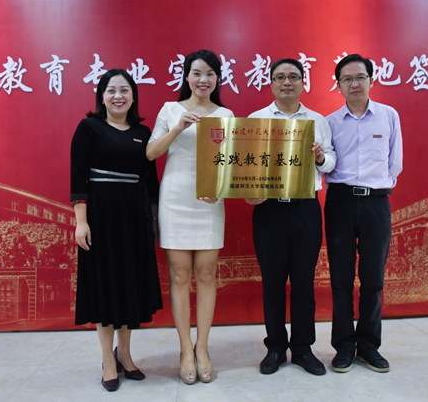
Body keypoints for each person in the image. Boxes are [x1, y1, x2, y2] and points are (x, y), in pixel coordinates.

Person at [70, 69, 163, 392]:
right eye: (111, 90)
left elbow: (151, 182)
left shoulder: (143, 132)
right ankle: (107, 360)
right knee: (105, 287)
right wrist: (81, 221)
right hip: (101, 217)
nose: (118, 96)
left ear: (133, 96)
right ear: (102, 96)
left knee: (129, 286)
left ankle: (124, 354)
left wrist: (154, 222)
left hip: (135, 217)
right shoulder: (89, 127)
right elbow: (78, 177)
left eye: (124, 90)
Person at [146, 50, 234, 385]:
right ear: (186, 76)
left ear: (217, 79)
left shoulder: (225, 114)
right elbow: (151, 152)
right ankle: (185, 349)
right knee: (180, 275)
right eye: (197, 73)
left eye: (210, 74)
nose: (203, 80)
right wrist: (178, 127)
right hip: (175, 199)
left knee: (207, 273)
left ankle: (203, 348)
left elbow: (232, 163)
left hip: (209, 201)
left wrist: (220, 190)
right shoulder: (171, 109)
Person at [245, 58, 336, 376]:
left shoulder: (317, 120)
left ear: (303, 82)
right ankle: (275, 348)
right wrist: (248, 192)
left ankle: (302, 349)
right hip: (268, 209)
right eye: (280, 77)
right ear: (271, 83)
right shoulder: (256, 120)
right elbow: (246, 165)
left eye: (294, 77)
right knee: (272, 282)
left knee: (303, 282)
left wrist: (321, 156)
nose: (287, 82)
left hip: (305, 208)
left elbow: (331, 162)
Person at [324, 54, 403, 374]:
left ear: (372, 79)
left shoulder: (389, 116)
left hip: (376, 204)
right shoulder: (330, 122)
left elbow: (395, 163)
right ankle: (344, 346)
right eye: (347, 79)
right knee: (341, 279)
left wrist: (377, 188)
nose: (354, 83)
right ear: (339, 85)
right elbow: (326, 164)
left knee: (373, 279)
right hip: (340, 203)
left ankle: (369, 345)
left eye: (360, 77)